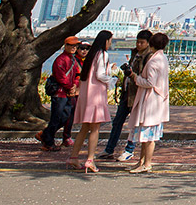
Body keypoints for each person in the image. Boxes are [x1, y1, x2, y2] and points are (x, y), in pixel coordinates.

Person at [67, 31, 114, 173]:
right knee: (95, 129)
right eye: (110, 41)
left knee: (84, 128)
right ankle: (90, 159)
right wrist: (111, 78)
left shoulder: (91, 55)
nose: (110, 43)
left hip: (86, 94)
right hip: (96, 94)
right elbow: (100, 74)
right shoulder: (103, 55)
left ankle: (74, 157)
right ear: (106, 41)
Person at [125, 32, 170, 173]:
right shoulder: (162, 58)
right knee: (146, 136)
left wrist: (135, 77)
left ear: (151, 44)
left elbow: (150, 82)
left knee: (149, 137)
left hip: (151, 101)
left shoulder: (154, 61)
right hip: (155, 101)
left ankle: (146, 163)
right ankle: (142, 161)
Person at [106, 30, 152, 161]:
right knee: (117, 122)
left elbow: (145, 76)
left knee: (134, 124)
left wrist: (132, 74)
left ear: (148, 43)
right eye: (137, 42)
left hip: (137, 94)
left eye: (142, 42)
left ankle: (129, 149)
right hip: (127, 92)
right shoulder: (135, 53)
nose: (138, 44)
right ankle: (109, 149)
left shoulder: (148, 57)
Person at [37, 36, 81, 150]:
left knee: (65, 117)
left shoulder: (72, 59)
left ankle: (46, 135)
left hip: (67, 93)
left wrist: (75, 85)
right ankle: (48, 142)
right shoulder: (61, 60)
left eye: (75, 46)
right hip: (60, 93)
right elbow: (61, 77)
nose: (74, 48)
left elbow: (77, 74)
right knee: (57, 118)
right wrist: (71, 86)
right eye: (71, 45)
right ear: (65, 46)